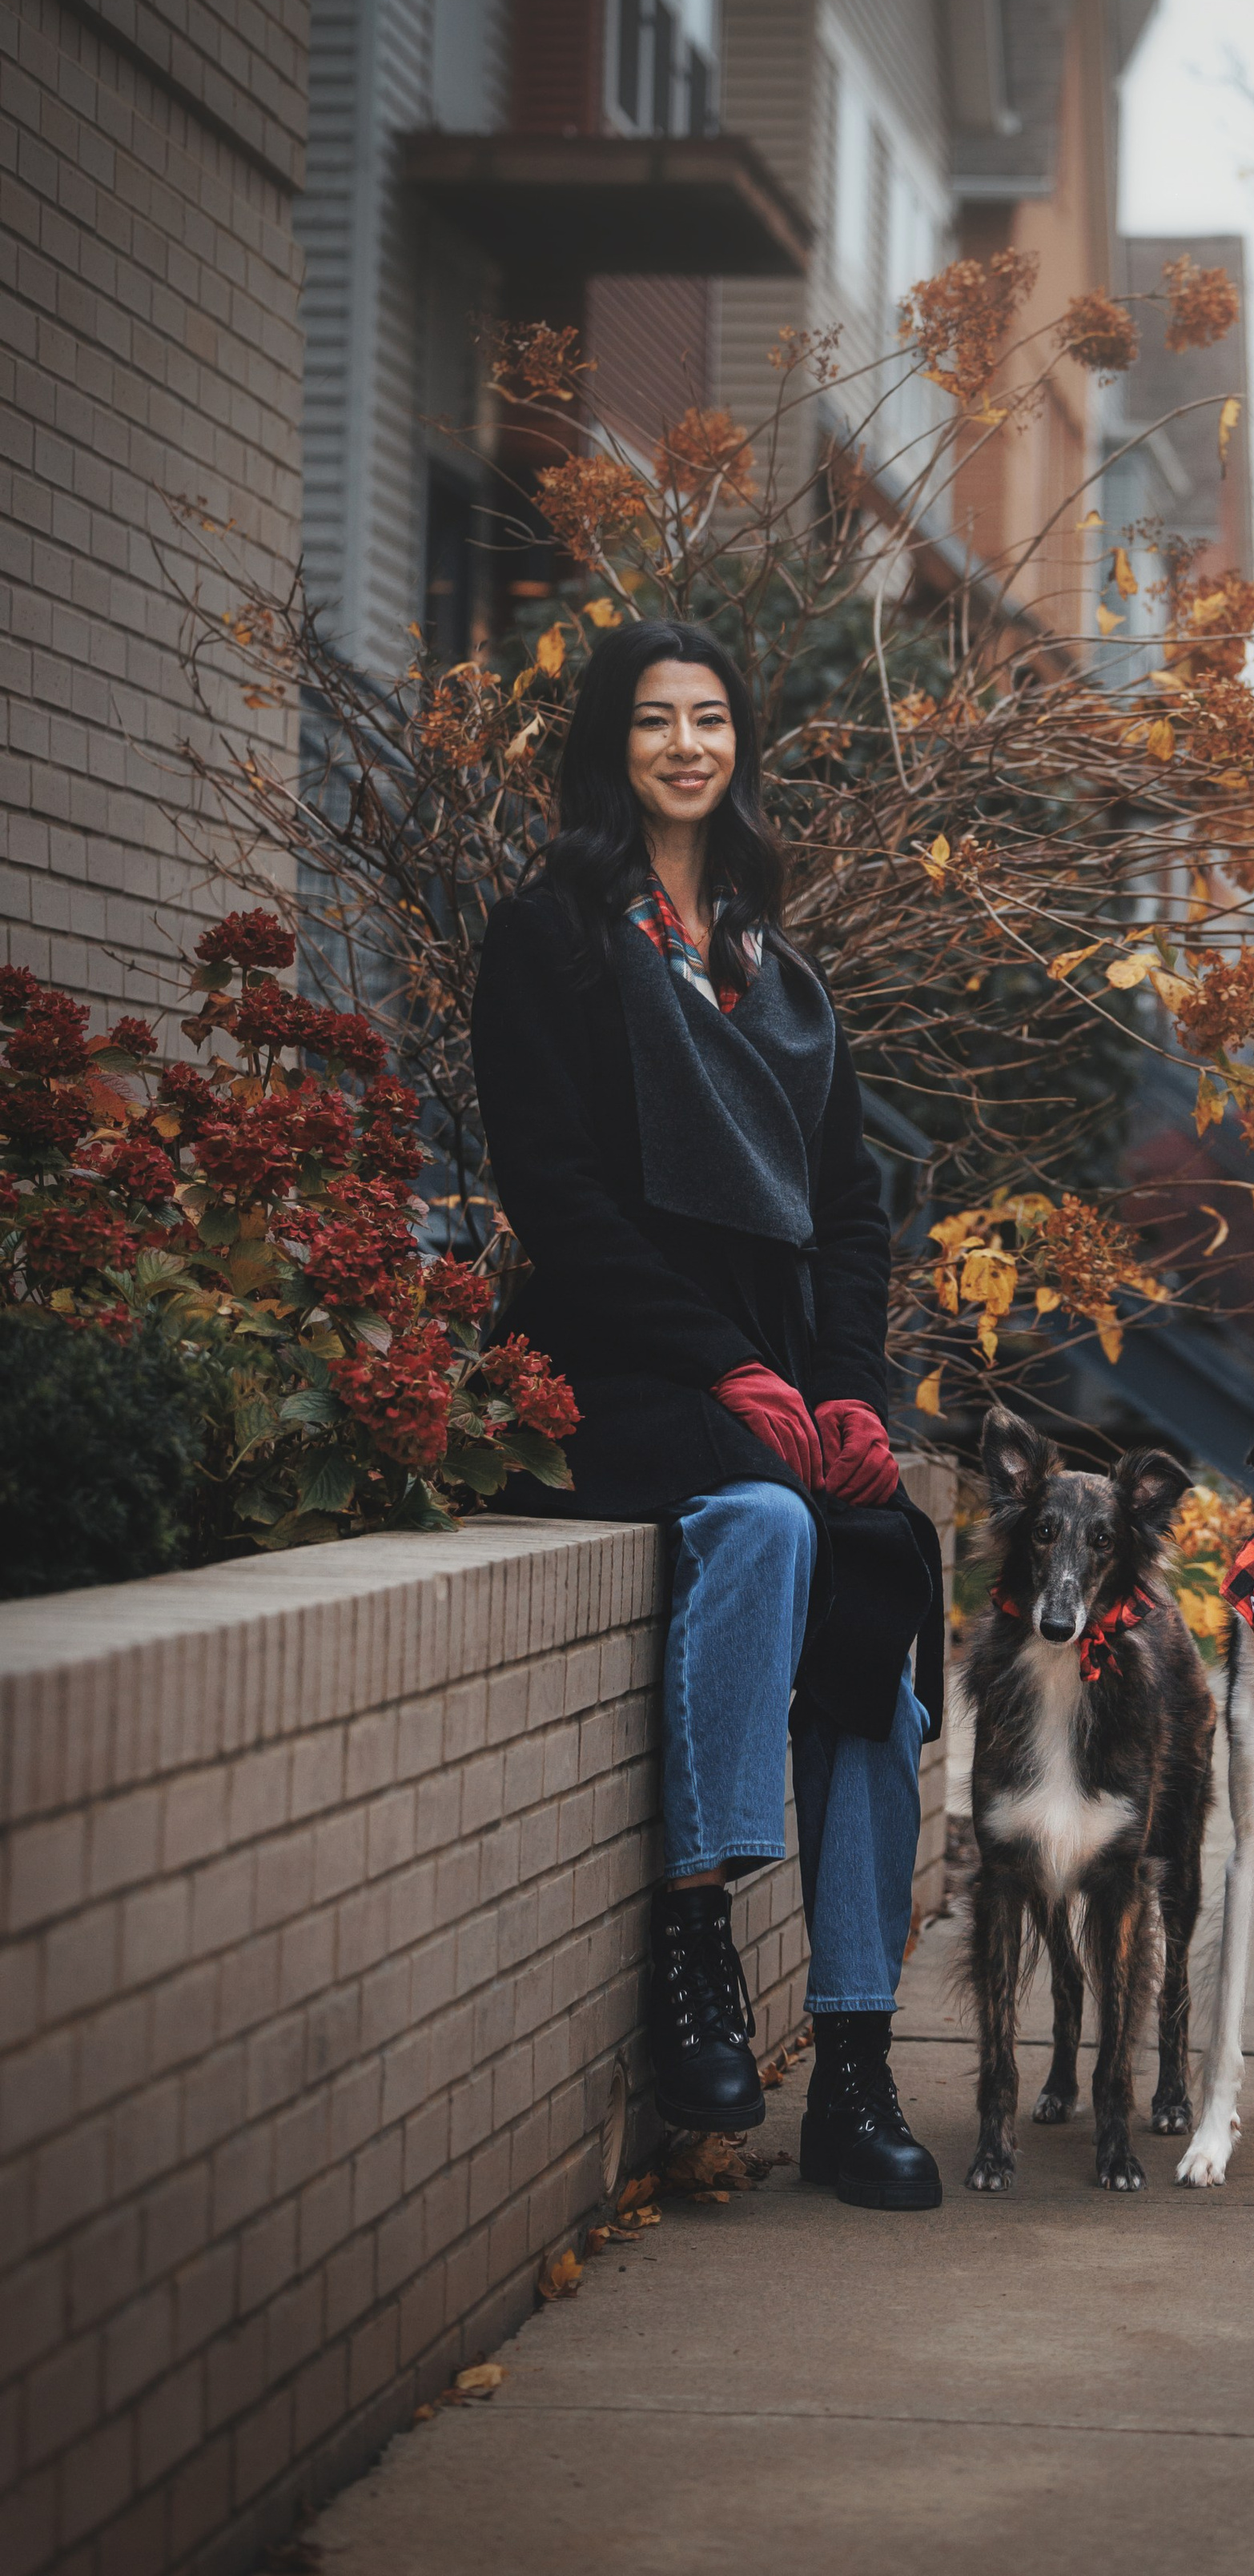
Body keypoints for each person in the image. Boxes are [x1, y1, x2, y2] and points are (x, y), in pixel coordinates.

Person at [471, 620, 944, 2211]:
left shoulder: (770, 968)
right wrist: (719, 1364)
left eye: (711, 718)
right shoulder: (545, 939)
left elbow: (851, 1211)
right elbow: (559, 1195)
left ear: (738, 745)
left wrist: (845, 1391)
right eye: (656, 719)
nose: (686, 742)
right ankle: (694, 1943)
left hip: (771, 1378)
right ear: (612, 740)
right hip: (612, 1364)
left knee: (876, 1581)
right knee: (753, 1517)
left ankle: (856, 2064)